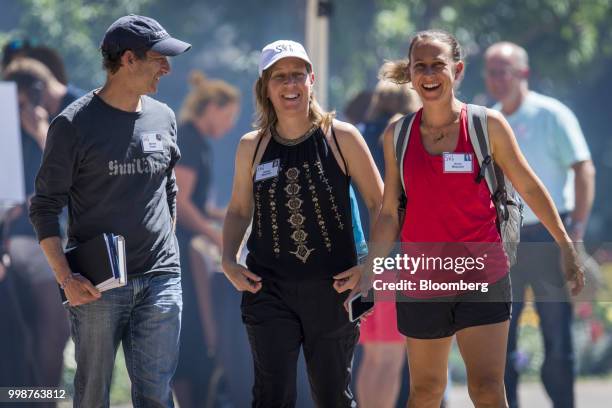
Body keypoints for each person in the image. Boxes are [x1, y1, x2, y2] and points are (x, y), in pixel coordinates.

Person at [343, 29, 585, 408]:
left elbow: (531, 188)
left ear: (456, 70)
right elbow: (390, 211)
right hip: (421, 277)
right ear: (410, 73)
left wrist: (565, 243)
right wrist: (369, 269)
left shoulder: (486, 126)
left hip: (482, 273)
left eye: (437, 65)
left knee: (487, 389)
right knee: (424, 391)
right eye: (419, 66)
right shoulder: (397, 136)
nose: (428, 74)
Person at [29, 14, 191, 407]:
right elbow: (45, 208)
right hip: (96, 286)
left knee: (156, 396)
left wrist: (165, 244)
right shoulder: (72, 125)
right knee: (91, 396)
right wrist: (67, 280)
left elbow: (168, 187)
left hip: (161, 279)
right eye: (159, 58)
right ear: (128, 60)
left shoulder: (164, 117)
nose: (167, 68)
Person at [221, 39, 383, 407]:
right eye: (279, 77)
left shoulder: (342, 137)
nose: (289, 85)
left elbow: (382, 204)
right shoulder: (252, 145)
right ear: (265, 87)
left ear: (312, 80)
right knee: (270, 396)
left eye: (297, 75)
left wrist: (371, 267)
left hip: (334, 290)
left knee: (332, 396)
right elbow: (238, 210)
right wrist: (228, 260)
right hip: (268, 289)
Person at [484, 42, 596, 408]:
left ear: (523, 73)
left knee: (556, 336)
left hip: (549, 235)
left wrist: (575, 228)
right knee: (503, 335)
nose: (497, 79)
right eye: (491, 71)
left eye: (504, 71)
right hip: (505, 238)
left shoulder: (551, 114)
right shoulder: (490, 121)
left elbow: (583, 168)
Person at [2, 57, 82, 394]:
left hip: (63, 236)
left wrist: (39, 131)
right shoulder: (10, 121)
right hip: (19, 237)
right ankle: (30, 398)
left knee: (55, 329)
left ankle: (42, 399)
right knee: (32, 329)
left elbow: (76, 172)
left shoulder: (77, 109)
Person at [172, 70, 240, 407]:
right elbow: (179, 203)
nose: (228, 126)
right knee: (192, 333)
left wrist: (224, 215)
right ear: (211, 107)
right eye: (228, 117)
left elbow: (197, 203)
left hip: (189, 246)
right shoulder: (188, 139)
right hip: (181, 251)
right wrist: (214, 235)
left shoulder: (198, 143)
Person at [354, 80, 421, 408]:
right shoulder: (404, 142)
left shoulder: (358, 137)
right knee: (392, 357)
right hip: (395, 260)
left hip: (358, 262)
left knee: (371, 355)